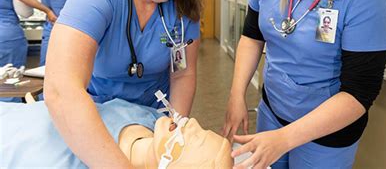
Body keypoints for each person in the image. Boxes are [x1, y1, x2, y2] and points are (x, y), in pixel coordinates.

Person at [222, 0, 386, 168]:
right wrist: (236, 95)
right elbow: (252, 36)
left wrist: (284, 139)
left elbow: (359, 94)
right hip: (272, 114)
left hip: (327, 137)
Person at [43, 0, 212, 168]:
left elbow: (181, 74)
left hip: (151, 119)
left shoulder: (182, 10)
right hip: (94, 116)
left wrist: (175, 130)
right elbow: (60, 89)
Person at [0, 99, 233, 168]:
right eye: (201, 129)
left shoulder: (54, 162)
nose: (191, 123)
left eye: (195, 139)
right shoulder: (151, 119)